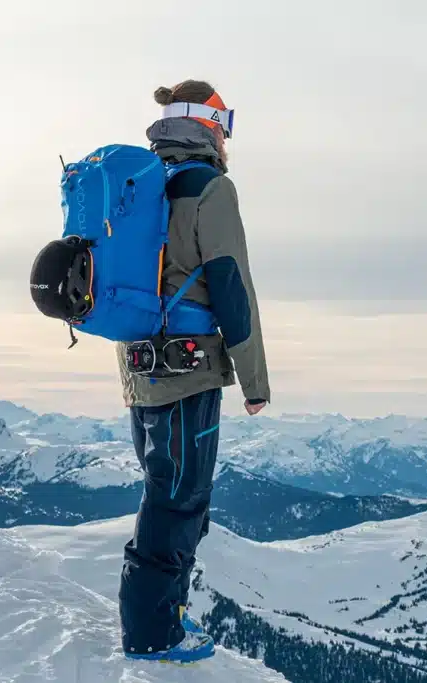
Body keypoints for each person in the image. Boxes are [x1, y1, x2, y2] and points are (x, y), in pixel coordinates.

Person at [117, 80, 271, 664]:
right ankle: (153, 635)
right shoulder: (209, 187)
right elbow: (231, 284)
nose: (226, 136)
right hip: (189, 367)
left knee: (166, 490)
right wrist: (254, 380)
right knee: (180, 499)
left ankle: (164, 619)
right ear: (208, 123)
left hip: (138, 365)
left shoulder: (140, 187)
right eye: (224, 122)